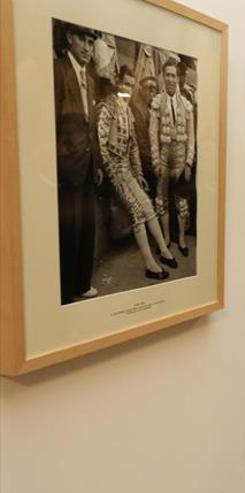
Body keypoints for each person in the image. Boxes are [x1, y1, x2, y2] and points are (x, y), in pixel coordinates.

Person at [96, 66, 178, 280]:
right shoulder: (107, 108)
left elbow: (133, 148)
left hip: (128, 170)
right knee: (136, 211)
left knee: (148, 206)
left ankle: (164, 250)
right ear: (118, 83)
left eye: (131, 85)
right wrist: (112, 174)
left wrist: (138, 173)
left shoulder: (128, 110)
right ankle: (150, 264)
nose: (128, 89)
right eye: (125, 84)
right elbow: (102, 146)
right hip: (114, 170)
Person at [54, 23, 101, 304]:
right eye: (83, 39)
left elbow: (89, 127)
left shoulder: (91, 79)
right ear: (70, 38)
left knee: (87, 226)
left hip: (87, 165)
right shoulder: (58, 70)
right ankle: (65, 291)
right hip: (67, 168)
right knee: (68, 230)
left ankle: (82, 283)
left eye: (91, 41)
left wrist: (96, 166)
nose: (88, 46)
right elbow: (52, 123)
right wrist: (57, 167)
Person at [149, 59, 195, 257]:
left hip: (180, 156)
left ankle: (182, 239)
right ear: (162, 76)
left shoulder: (186, 104)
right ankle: (167, 237)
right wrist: (155, 160)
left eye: (173, 75)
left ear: (178, 78)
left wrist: (188, 162)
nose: (170, 79)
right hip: (163, 155)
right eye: (167, 75)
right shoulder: (157, 102)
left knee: (181, 201)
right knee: (161, 199)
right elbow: (152, 133)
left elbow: (192, 136)